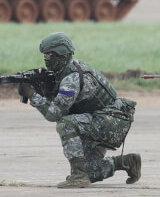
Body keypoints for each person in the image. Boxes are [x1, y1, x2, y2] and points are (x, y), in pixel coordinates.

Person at [20, 32, 139, 188]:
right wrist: (45, 86)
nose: (46, 58)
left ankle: (78, 176)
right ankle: (126, 162)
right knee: (91, 171)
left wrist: (32, 95)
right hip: (99, 120)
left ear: (60, 54)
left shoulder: (71, 78)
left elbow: (54, 114)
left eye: (49, 55)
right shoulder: (66, 70)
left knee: (65, 124)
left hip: (108, 122)